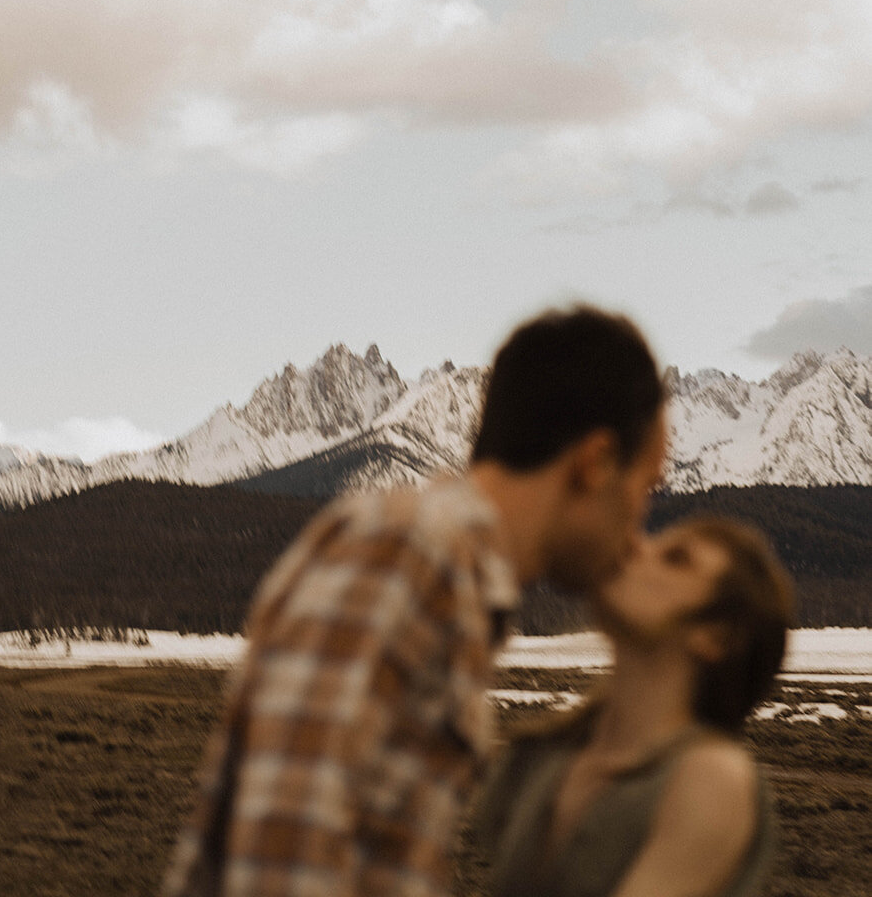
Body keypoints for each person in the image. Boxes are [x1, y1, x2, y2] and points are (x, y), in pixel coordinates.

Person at [165, 305, 667, 897]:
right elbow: (284, 849)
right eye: (647, 489)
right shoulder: (412, 552)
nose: (641, 531)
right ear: (595, 463)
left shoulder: (448, 571)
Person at [477, 517, 793, 897]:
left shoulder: (710, 777)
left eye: (676, 559)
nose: (635, 546)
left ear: (716, 636)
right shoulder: (540, 757)